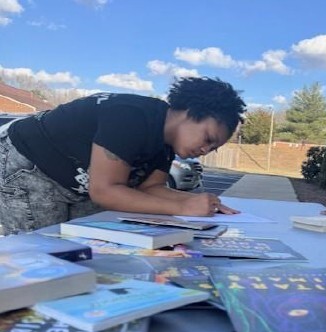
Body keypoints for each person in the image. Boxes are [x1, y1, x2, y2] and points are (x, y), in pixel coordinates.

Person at [0, 77, 246, 236]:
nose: (205, 151)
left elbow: (152, 189)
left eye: (213, 149)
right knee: (42, 259)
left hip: (73, 183)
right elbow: (105, 191)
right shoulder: (132, 116)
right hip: (29, 168)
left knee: (88, 248)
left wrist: (199, 202)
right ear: (191, 112)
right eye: (208, 138)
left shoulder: (165, 143)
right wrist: (183, 207)